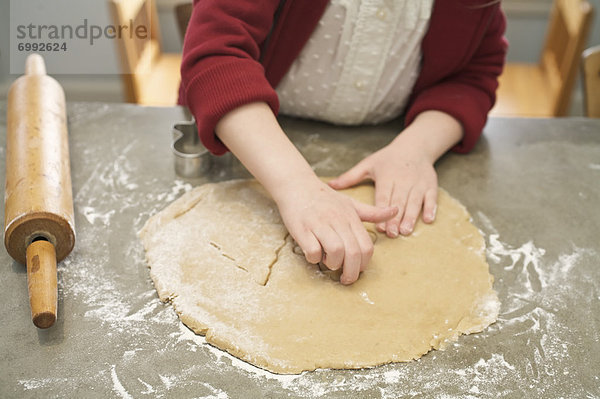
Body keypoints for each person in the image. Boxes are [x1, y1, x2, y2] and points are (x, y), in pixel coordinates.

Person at [179, 0, 508, 285]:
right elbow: (216, 57)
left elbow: (473, 74)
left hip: (392, 136)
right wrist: (296, 186)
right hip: (249, 133)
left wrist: (417, 147)